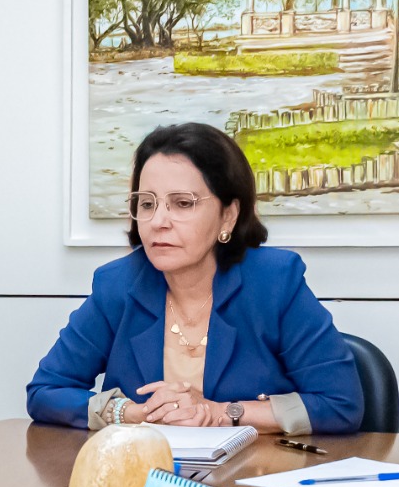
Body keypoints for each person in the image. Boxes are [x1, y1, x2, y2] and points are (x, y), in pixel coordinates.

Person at [27, 122, 363, 434]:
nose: (158, 221)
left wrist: (222, 413)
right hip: (148, 473)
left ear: (228, 216)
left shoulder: (274, 282)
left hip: (256, 472)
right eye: (147, 204)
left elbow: (340, 403)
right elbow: (46, 390)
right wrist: (130, 412)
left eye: (183, 203)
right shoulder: (117, 285)